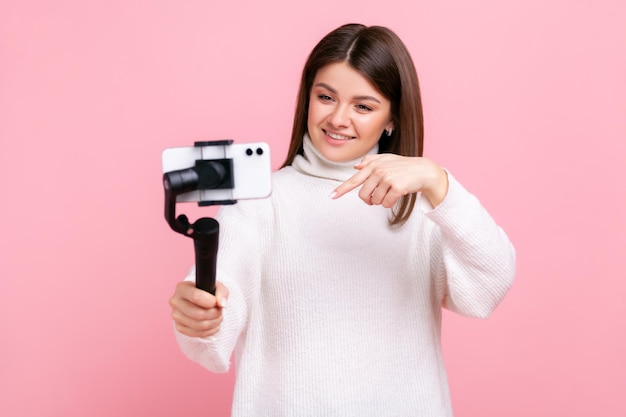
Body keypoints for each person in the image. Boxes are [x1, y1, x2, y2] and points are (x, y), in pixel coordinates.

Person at [168, 23, 516, 417]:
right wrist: (199, 315)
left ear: (392, 119)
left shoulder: (424, 205)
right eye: (325, 97)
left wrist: (440, 183)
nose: (338, 118)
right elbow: (211, 338)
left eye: (363, 106)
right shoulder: (260, 203)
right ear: (308, 98)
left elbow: (489, 288)